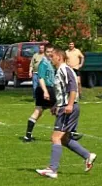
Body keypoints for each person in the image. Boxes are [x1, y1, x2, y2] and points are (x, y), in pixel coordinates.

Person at [36, 48, 97, 179]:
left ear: (59, 57)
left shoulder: (65, 69)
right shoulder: (60, 71)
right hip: (64, 106)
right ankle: (88, 156)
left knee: (55, 138)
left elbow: (73, 88)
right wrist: (55, 105)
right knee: (64, 139)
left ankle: (52, 169)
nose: (51, 59)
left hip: (68, 108)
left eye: (52, 56)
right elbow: (62, 92)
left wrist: (69, 105)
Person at [24, 43, 56, 142]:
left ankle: (27, 136)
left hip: (44, 89)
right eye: (48, 52)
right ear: (44, 52)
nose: (50, 53)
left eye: (51, 52)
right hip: (45, 88)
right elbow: (41, 77)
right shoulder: (44, 63)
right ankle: (69, 133)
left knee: (38, 111)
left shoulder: (50, 62)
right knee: (60, 109)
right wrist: (45, 91)